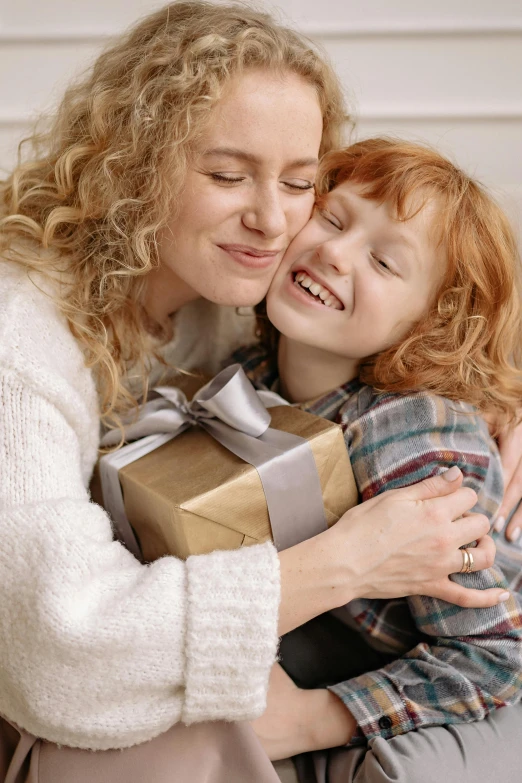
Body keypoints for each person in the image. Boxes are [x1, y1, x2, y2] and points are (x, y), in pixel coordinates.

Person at [0, 3, 516, 781]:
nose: (275, 220)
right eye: (226, 174)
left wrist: (499, 410)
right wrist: (349, 562)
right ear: (134, 165)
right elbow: (63, 647)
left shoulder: (256, 296)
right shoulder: (24, 345)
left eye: (301, 182)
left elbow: (435, 307)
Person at [233, 138, 522, 782]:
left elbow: (493, 657)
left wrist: (312, 719)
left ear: (431, 325)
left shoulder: (411, 442)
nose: (333, 252)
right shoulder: (251, 374)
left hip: (432, 665)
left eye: (385, 263)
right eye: (332, 219)